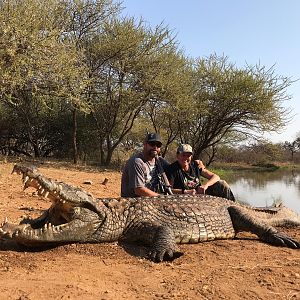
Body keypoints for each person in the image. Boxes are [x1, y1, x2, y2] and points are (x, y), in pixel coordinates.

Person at [165, 144, 235, 201]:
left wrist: (206, 185)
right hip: (183, 198)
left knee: (222, 184)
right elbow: (169, 190)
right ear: (177, 155)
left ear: (191, 157)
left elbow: (216, 177)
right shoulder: (172, 169)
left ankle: (232, 205)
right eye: (183, 155)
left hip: (200, 195)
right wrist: (186, 192)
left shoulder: (196, 165)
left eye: (188, 156)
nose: (186, 158)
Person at [121, 133, 169, 197]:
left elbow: (174, 170)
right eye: (152, 144)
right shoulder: (137, 162)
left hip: (151, 199)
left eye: (158, 145)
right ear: (145, 144)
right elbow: (139, 190)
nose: (155, 147)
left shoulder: (160, 161)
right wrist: (161, 197)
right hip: (134, 201)